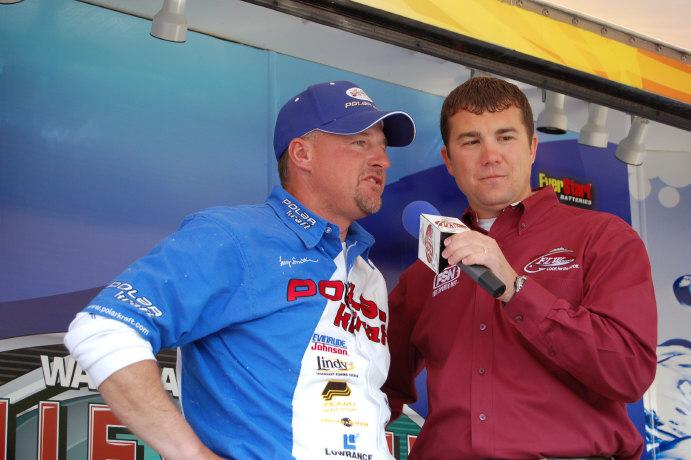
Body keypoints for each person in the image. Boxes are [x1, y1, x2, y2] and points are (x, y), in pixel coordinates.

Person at [64, 80, 416, 460]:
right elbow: (103, 328)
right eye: (360, 142)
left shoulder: (366, 272)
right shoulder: (234, 237)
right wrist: (192, 455)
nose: (382, 161)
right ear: (302, 154)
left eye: (382, 147)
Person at [383, 77, 657, 460]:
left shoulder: (602, 237)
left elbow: (629, 373)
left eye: (505, 137)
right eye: (471, 141)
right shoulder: (424, 274)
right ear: (448, 160)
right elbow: (377, 388)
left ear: (532, 148)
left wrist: (516, 288)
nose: (490, 155)